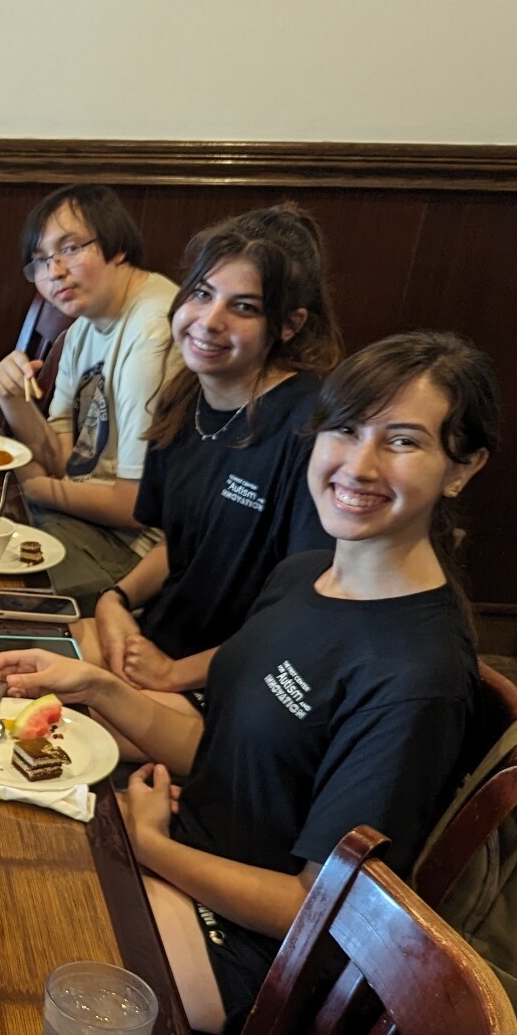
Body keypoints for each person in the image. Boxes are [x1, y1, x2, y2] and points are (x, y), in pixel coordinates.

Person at [0, 332, 498, 1035]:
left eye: (402, 442)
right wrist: (97, 688)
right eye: (345, 429)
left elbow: (317, 905)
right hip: (185, 837)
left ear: (463, 469)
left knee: (1, 958)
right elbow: (230, 751)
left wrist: (154, 848)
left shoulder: (417, 675)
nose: (359, 463)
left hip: (257, 951)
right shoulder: (303, 578)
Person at [81, 204, 345, 695]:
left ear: (289, 324)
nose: (208, 320)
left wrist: (173, 674)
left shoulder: (311, 429)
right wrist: (114, 600)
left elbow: (311, 612)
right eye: (201, 294)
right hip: (160, 643)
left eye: (243, 307)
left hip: (240, 681)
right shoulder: (185, 397)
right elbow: (181, 546)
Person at [0, 184, 177, 608]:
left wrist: (36, 489)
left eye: (70, 249)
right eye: (40, 261)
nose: (54, 272)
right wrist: (12, 399)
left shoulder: (153, 328)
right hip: (79, 521)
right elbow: (60, 460)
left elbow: (135, 507)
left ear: (117, 246)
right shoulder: (82, 329)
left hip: (131, 555)